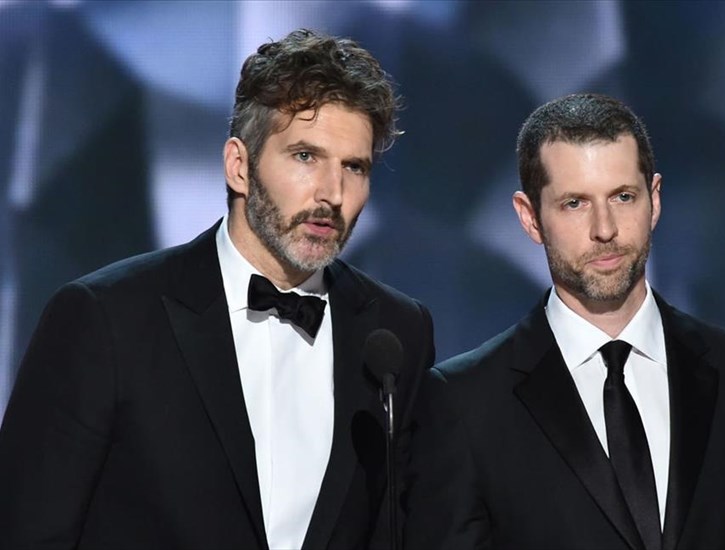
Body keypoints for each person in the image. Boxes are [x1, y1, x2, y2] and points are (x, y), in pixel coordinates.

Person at [0, 29, 434, 550]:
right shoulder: (106, 318)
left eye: (354, 167)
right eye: (305, 156)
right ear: (239, 166)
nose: (332, 194)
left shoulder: (396, 332)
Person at [404, 93, 725, 550]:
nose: (605, 229)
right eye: (575, 203)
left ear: (654, 199)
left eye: (623, 197)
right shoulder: (464, 401)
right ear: (530, 218)